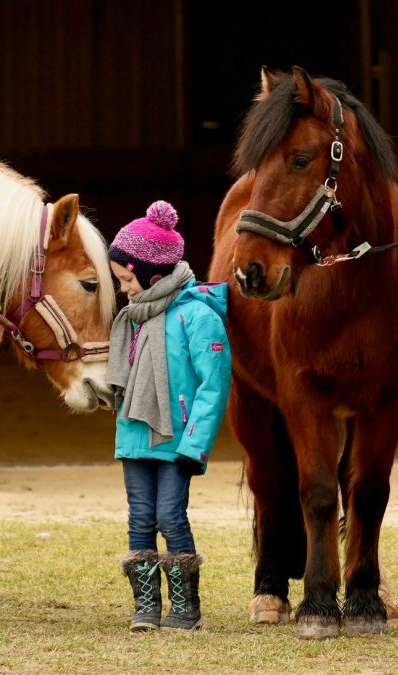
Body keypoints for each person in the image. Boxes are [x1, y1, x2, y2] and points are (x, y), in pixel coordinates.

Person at [106, 200, 230, 632]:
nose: (123, 289)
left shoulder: (198, 315)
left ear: (152, 275)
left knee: (170, 516)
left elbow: (213, 385)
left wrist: (194, 445)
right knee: (140, 518)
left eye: (126, 279)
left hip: (176, 441)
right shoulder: (133, 317)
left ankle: (184, 608)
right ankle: (145, 608)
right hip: (135, 434)